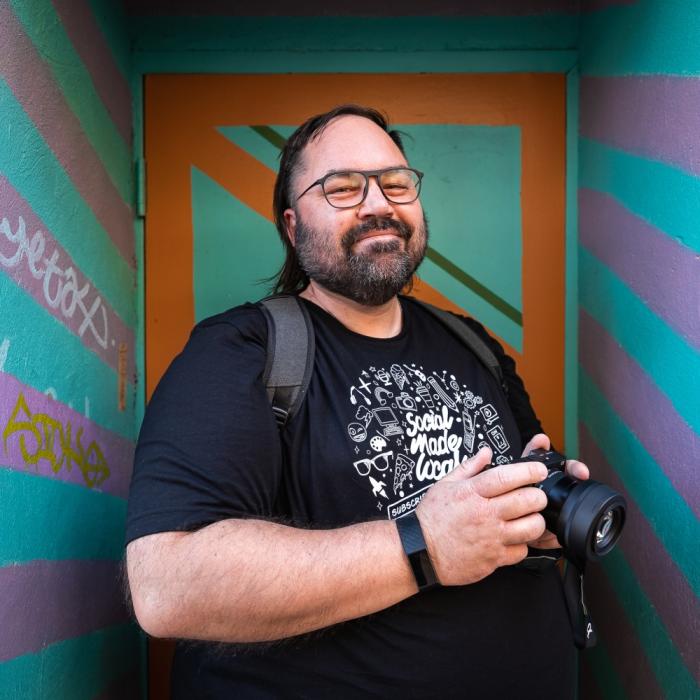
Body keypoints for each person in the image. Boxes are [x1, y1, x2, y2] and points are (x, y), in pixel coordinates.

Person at [126, 104, 590, 699]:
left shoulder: (473, 342)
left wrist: (543, 518)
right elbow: (168, 586)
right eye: (342, 188)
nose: (379, 205)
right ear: (293, 227)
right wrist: (424, 544)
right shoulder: (240, 351)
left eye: (396, 184)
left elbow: (515, 495)